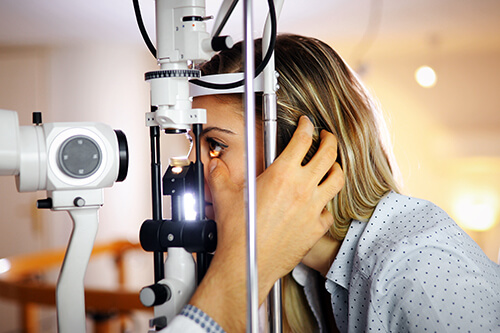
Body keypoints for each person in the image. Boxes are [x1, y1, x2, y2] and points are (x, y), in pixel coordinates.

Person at [160, 34, 500, 332]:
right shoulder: (301, 275)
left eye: (216, 145)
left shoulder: (422, 276)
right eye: (195, 144)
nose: (194, 170)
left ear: (302, 151)